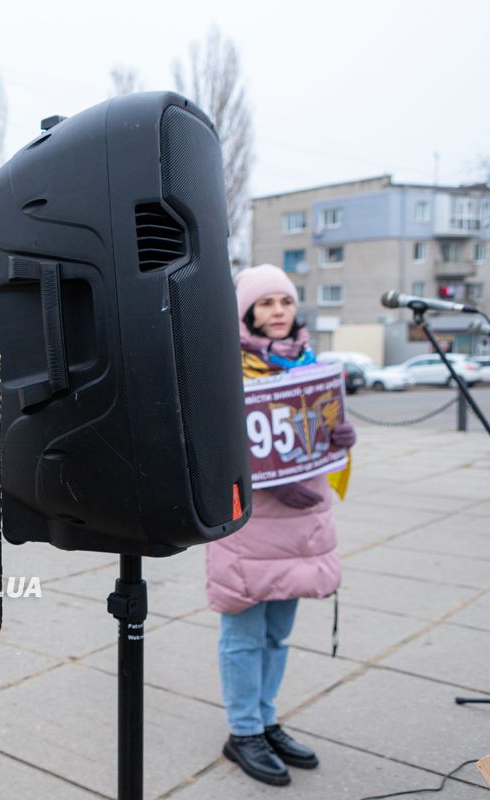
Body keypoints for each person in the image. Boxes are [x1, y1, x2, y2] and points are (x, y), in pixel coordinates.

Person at [205, 264, 357, 787]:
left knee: (277, 635)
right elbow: (215, 448)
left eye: (285, 302)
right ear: (246, 311)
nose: (277, 312)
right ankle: (242, 730)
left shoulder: (312, 367)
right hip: (249, 524)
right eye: (266, 303)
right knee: (244, 633)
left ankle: (267, 721)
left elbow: (322, 443)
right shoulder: (229, 370)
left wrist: (338, 442)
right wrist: (267, 477)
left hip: (301, 522)